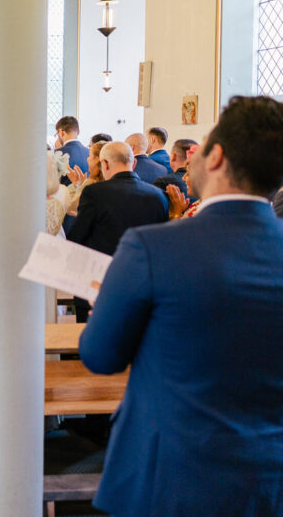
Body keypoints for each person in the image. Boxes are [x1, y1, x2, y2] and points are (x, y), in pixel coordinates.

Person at [80, 95, 283, 516]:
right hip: (268, 480)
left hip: (171, 474)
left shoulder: (154, 246)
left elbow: (100, 356)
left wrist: (108, 301)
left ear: (217, 157)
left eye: (200, 146)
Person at [67, 141, 169, 322]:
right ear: (134, 163)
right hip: (142, 283)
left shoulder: (95, 193)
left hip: (99, 282)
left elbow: (76, 238)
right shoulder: (157, 196)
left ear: (104, 164)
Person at [65, 140, 107, 217]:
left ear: (96, 159)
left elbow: (71, 208)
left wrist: (76, 185)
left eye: (89, 155)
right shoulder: (112, 180)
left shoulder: (91, 183)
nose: (87, 159)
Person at [54, 116, 88, 185]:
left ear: (61, 132)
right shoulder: (90, 152)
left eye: (57, 134)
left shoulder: (57, 154)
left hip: (65, 194)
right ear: (78, 132)